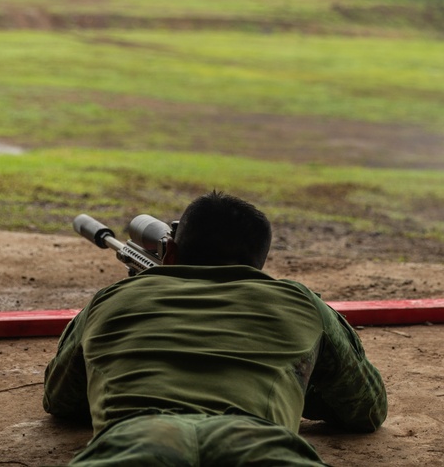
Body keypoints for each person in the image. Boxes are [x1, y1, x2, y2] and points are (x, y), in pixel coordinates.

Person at [44, 191, 387, 466]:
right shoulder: (301, 302)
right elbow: (366, 409)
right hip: (264, 447)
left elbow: (60, 399)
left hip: (133, 444)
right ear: (260, 262)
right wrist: (291, 385)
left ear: (172, 251)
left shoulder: (111, 300)